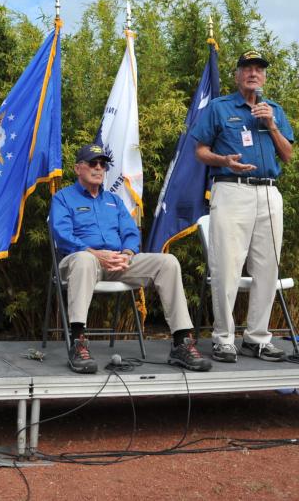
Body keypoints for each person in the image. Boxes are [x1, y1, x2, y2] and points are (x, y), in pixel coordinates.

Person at [50, 143, 212, 374]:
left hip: (118, 261)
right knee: (84, 261)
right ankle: (78, 343)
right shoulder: (63, 198)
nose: (99, 168)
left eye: (103, 164)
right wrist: (95, 253)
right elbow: (62, 235)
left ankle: (181, 342)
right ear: (78, 168)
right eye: (92, 163)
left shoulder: (114, 201)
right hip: (80, 261)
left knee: (168, 262)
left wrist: (127, 254)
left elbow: (130, 233)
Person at [191, 50, 295, 363]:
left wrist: (272, 125)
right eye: (247, 68)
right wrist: (223, 161)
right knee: (227, 267)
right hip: (231, 189)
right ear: (237, 75)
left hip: (269, 194)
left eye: (259, 69)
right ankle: (223, 338)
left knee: (267, 268)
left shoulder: (274, 109)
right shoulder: (219, 108)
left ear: (264, 76)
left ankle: (257, 338)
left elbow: (288, 155)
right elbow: (199, 151)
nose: (253, 73)